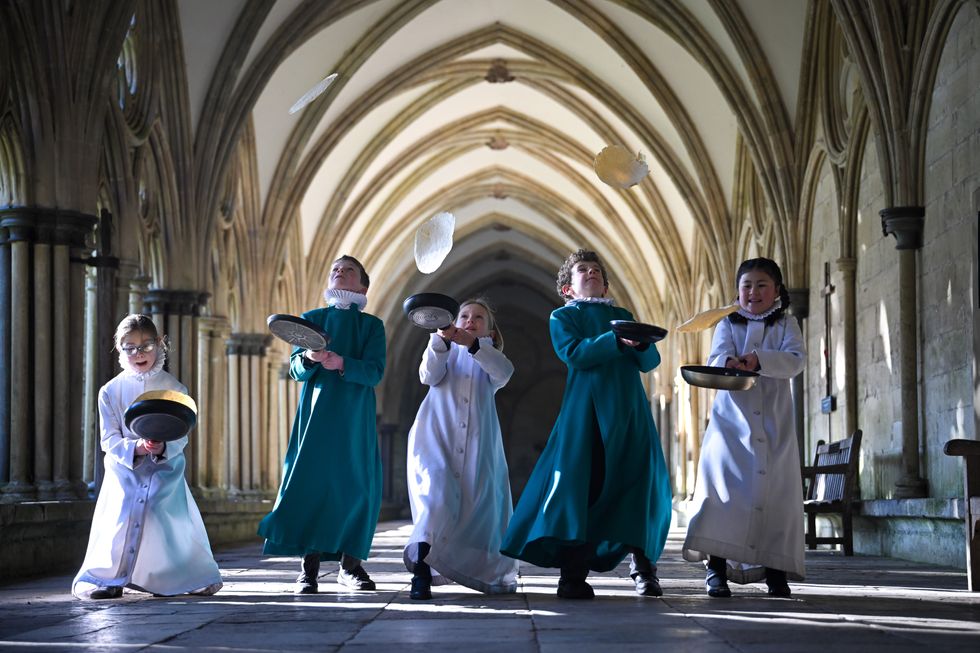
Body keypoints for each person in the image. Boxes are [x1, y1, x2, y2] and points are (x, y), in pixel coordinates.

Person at [501, 249, 672, 599]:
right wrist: (615, 340)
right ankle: (572, 574)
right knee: (582, 487)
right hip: (588, 412)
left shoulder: (623, 315)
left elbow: (649, 360)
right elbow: (575, 354)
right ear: (568, 288)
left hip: (629, 411)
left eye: (597, 270)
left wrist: (638, 343)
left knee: (639, 485)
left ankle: (644, 568)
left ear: (606, 284)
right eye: (583, 270)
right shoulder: (562, 317)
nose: (591, 273)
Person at [258, 255, 386, 594]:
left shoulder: (372, 326)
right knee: (310, 485)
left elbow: (375, 371)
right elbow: (296, 370)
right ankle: (308, 569)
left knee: (357, 487)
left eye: (349, 270)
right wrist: (311, 357)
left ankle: (351, 567)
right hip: (316, 416)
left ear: (363, 285)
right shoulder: (311, 320)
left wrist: (343, 362)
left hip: (354, 417)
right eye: (335, 270)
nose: (340, 272)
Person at [72, 314, 222, 599]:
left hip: (163, 469)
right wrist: (135, 448)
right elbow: (109, 438)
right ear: (120, 349)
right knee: (120, 519)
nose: (138, 353)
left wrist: (162, 448)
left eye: (146, 345)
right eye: (130, 347)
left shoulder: (175, 389)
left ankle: (164, 578)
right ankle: (110, 578)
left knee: (159, 516)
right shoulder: (110, 391)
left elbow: (182, 432)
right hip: (124, 470)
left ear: (160, 343)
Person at [682, 257, 805, 598]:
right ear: (737, 292)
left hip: (774, 422)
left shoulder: (786, 324)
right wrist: (731, 363)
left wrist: (760, 360)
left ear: (777, 290)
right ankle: (716, 570)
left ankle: (776, 573)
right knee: (724, 496)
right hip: (730, 426)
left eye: (762, 285)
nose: (753, 292)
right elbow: (715, 359)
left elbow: (796, 360)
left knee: (775, 497)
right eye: (746, 285)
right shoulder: (726, 324)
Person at [404, 298, 519, 600]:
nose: (470, 320)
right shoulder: (442, 349)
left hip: (477, 446)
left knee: (472, 505)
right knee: (434, 498)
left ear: (490, 333)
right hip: (434, 438)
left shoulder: (490, 357)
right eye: (464, 315)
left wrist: (475, 346)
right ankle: (420, 572)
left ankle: (467, 567)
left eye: (478, 317)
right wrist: (440, 341)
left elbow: (504, 373)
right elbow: (428, 375)